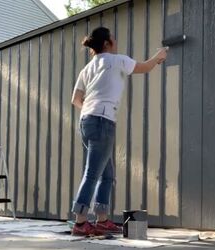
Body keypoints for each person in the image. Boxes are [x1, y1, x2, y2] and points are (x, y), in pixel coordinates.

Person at [71, 27, 167, 236]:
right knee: (92, 174)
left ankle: (102, 219)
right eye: (113, 37)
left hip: (86, 121)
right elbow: (145, 67)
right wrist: (158, 57)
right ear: (107, 43)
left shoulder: (86, 69)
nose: (116, 40)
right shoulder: (117, 60)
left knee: (107, 176)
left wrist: (91, 106)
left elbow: (76, 100)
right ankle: (80, 222)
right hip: (103, 121)